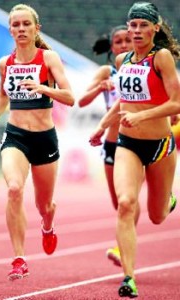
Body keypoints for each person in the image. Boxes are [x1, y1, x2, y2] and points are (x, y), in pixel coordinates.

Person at [89, 2, 180, 298]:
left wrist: (142, 115)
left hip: (160, 145)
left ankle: (167, 200)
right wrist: (104, 125)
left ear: (155, 28)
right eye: (133, 25)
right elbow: (122, 101)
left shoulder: (161, 58)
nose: (137, 31)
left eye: (143, 25)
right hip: (127, 143)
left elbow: (176, 103)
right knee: (126, 204)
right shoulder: (122, 61)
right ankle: (129, 277)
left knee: (156, 216)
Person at [0, 4, 75, 281]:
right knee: (13, 189)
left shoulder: (49, 58)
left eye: (26, 24)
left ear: (37, 28)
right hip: (16, 135)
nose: (21, 29)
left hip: (44, 138)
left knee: (44, 205)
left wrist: (43, 87)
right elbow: (2, 94)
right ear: (10, 29)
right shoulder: (5, 63)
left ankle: (47, 225)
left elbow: (70, 97)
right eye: (16, 25)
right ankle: (19, 258)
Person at [78, 25, 140, 267]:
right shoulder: (106, 71)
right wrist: (99, 87)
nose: (124, 45)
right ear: (111, 47)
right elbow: (81, 101)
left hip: (137, 142)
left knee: (129, 200)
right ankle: (125, 243)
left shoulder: (142, 67)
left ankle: (121, 247)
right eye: (118, 41)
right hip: (112, 144)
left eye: (128, 40)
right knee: (119, 203)